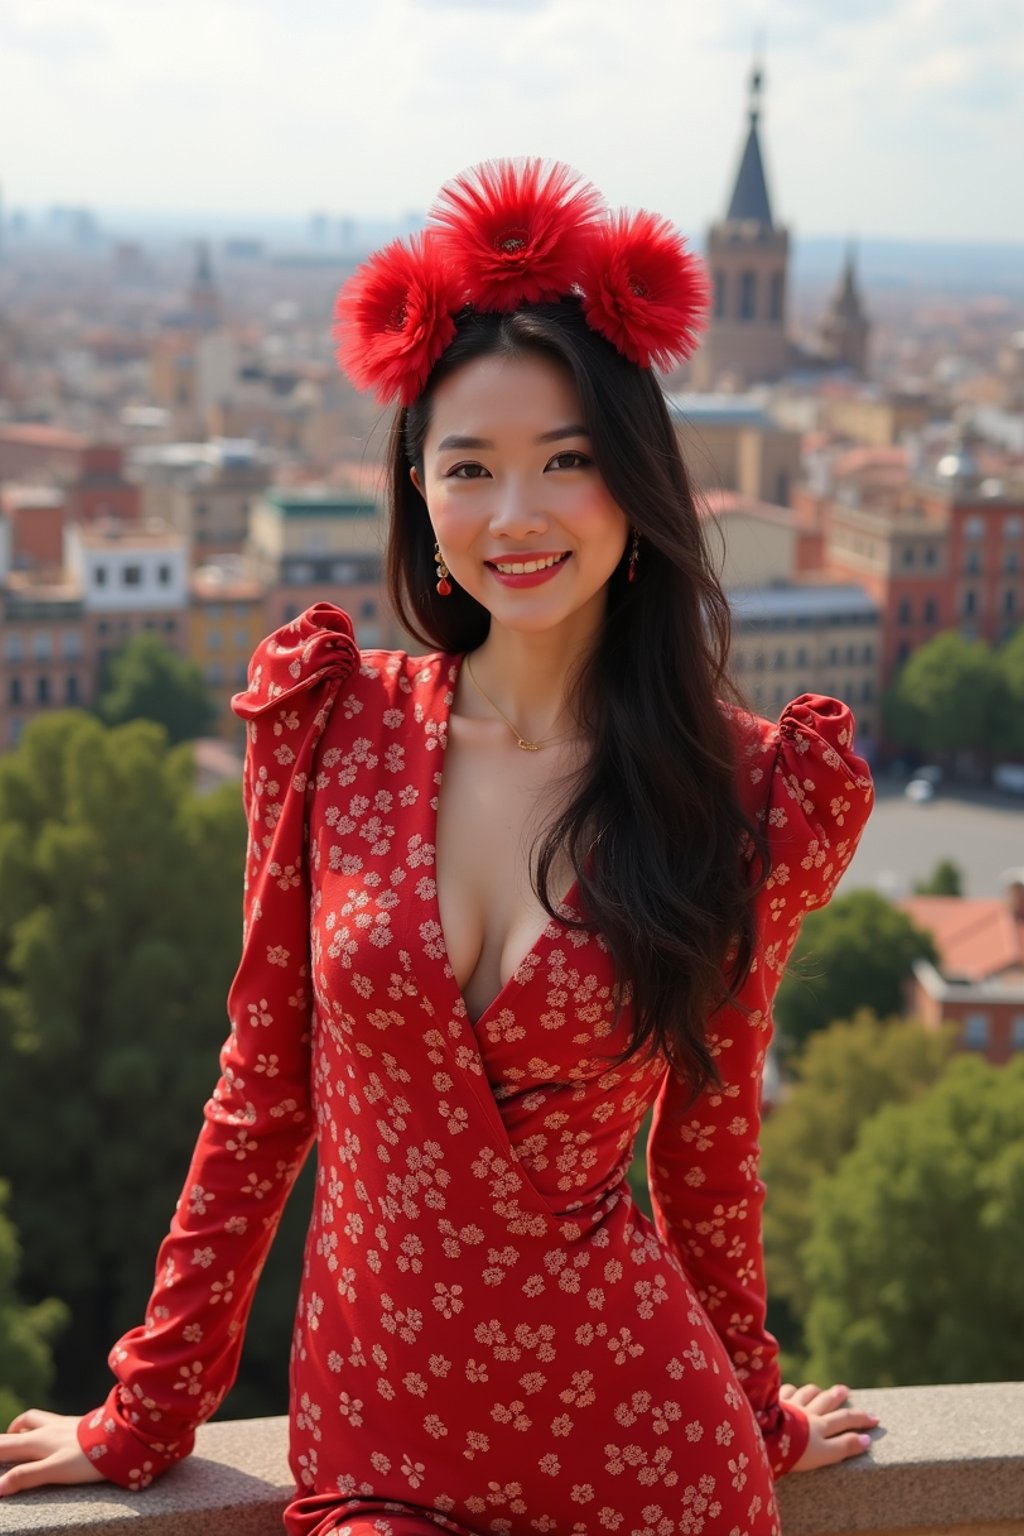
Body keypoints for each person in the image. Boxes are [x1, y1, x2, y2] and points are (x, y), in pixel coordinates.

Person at [0, 159, 879, 1535]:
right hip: (382, 1447)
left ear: (634, 487)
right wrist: (144, 1413)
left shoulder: (740, 795)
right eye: (469, 467)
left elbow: (707, 1154)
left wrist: (757, 1413)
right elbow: (260, 1096)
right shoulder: (336, 731)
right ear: (418, 493)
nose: (515, 514)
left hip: (650, 1448)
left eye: (566, 462)